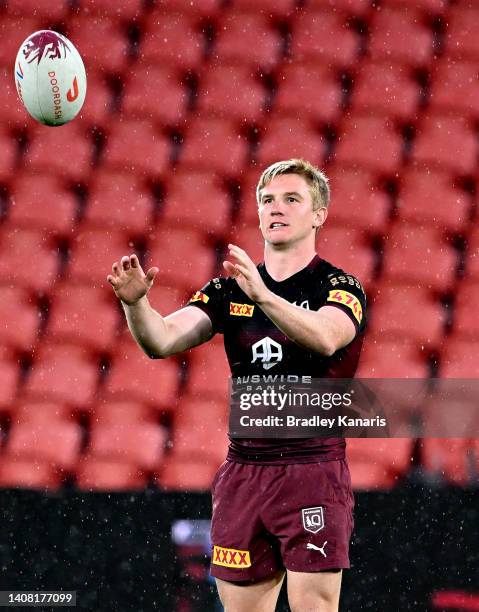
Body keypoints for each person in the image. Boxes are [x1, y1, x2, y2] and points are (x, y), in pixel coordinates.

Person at [107, 159, 367, 612]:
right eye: (268, 200)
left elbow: (327, 337)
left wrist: (265, 296)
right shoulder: (228, 291)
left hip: (313, 471)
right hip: (243, 473)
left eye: (292, 199)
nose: (276, 208)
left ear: (319, 214)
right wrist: (136, 305)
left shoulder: (339, 286)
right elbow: (161, 340)